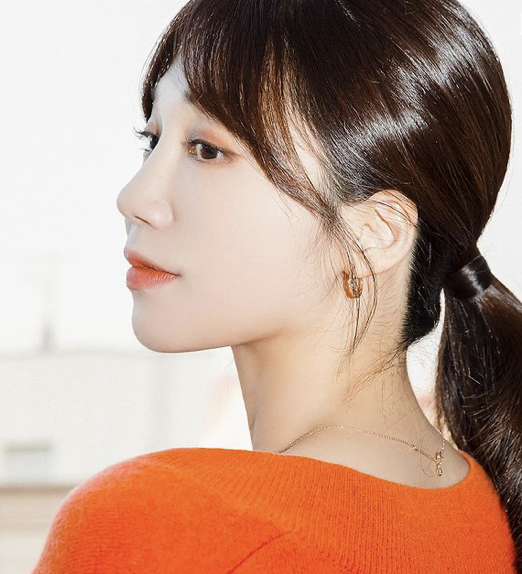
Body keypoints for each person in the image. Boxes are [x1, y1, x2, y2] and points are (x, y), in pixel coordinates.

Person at [32, 0, 520, 571]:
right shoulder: (484, 509)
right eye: (152, 139)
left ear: (374, 233)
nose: (134, 198)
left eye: (207, 150)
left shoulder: (165, 525)